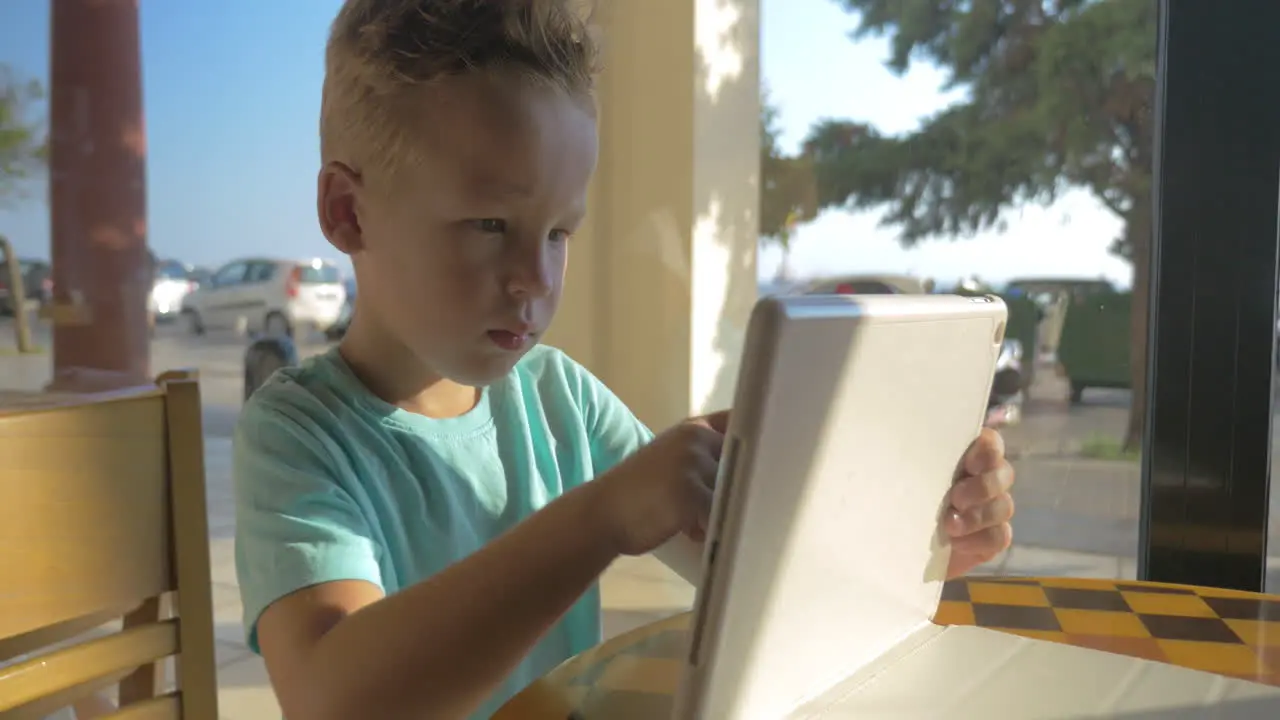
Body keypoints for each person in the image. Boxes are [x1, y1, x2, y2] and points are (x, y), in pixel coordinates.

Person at [232, 2, 1017, 719]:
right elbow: (339, 699)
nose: (535, 280)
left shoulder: (559, 400)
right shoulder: (299, 434)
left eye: (558, 233)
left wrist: (918, 520)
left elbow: (758, 577)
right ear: (348, 212)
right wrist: (604, 515)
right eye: (488, 223)